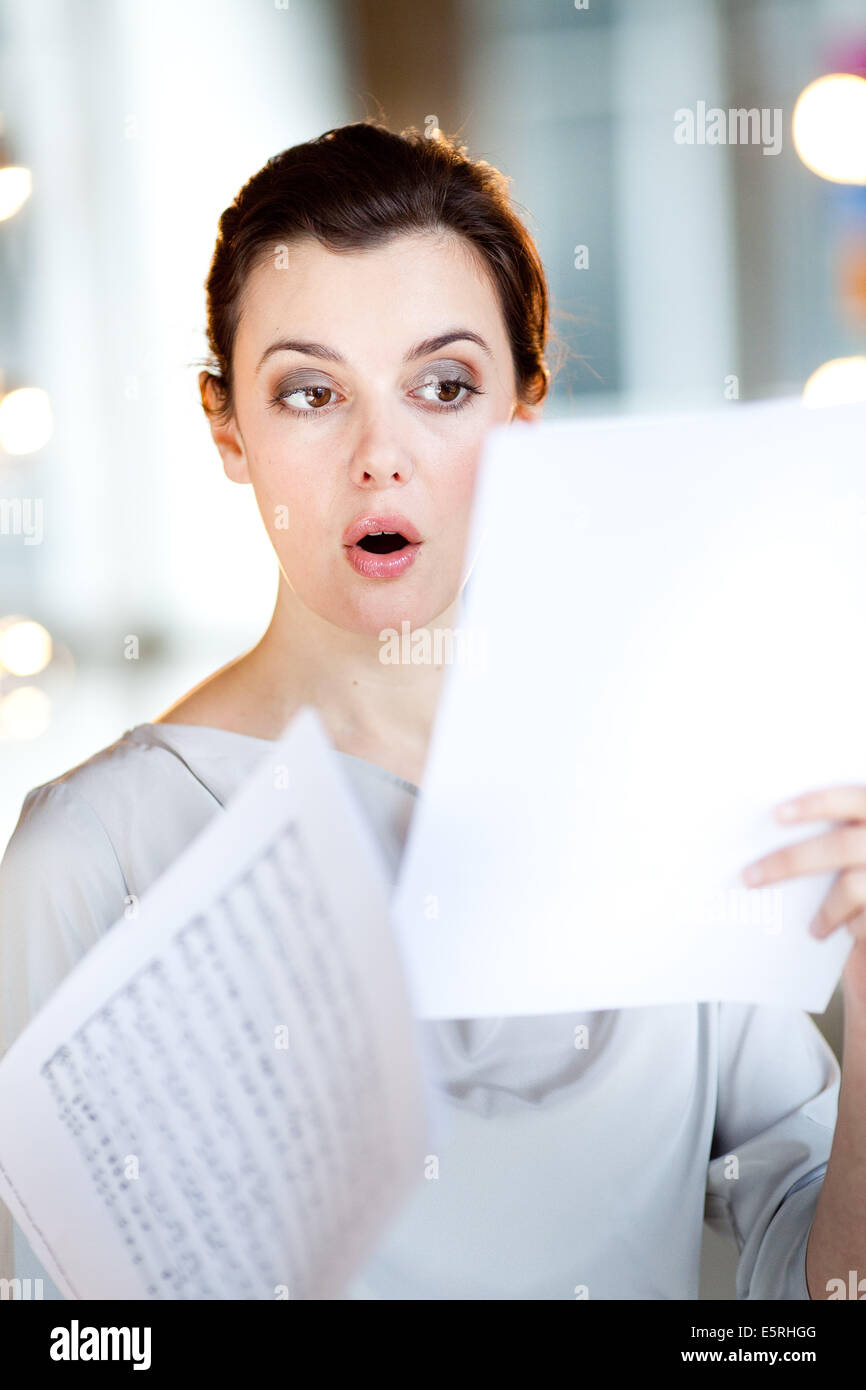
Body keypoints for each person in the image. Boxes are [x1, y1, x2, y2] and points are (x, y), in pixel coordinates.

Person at [0, 121, 841, 1299]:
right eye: (308, 393)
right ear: (224, 425)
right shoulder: (88, 858)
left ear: (523, 409)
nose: (378, 456)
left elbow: (814, 1296)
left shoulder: (665, 800)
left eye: (442, 386)